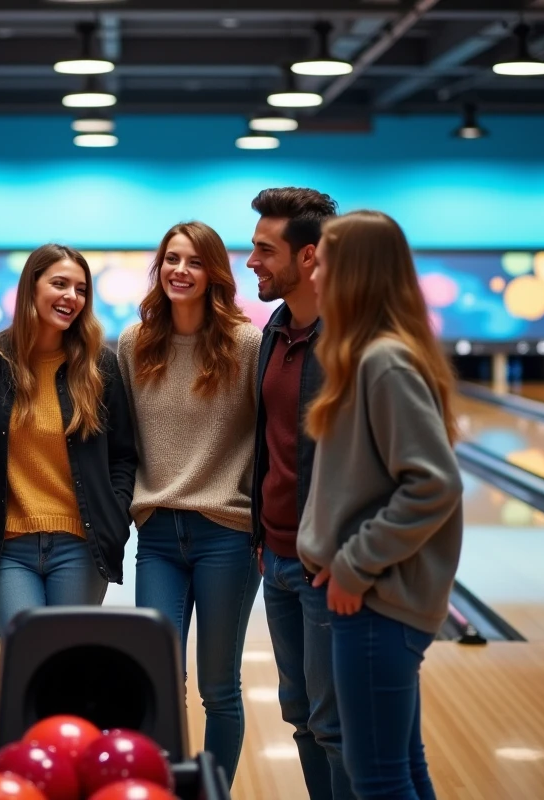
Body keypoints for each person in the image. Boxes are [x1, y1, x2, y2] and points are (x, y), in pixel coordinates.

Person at [299, 210, 463, 800]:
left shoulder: (382, 361)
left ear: (357, 273)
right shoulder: (369, 355)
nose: (314, 274)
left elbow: (434, 483)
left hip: (376, 600)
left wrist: (354, 564)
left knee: (377, 778)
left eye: (326, 261)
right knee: (402, 767)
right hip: (377, 599)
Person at [116, 221, 262, 786]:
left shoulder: (247, 344)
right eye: (171, 259)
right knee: (157, 677)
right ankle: (158, 789)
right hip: (156, 535)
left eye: (194, 261)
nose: (180, 270)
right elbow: (123, 440)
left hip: (225, 531)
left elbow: (270, 435)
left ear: (214, 273)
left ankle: (213, 791)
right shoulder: (135, 343)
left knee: (218, 686)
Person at [0, 243, 136, 633]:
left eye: (81, 289)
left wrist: (116, 515)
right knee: (27, 664)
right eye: (59, 283)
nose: (71, 296)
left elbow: (123, 455)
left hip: (80, 546)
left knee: (68, 666)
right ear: (31, 287)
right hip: (8, 549)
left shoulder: (98, 366)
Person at [247, 187, 355, 800]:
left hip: (325, 567)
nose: (252, 260)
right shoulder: (275, 332)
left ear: (308, 256)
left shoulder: (350, 343)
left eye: (265, 249)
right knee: (301, 717)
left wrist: (346, 554)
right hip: (278, 560)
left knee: (334, 724)